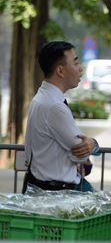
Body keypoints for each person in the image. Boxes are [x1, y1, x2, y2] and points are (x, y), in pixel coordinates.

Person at [23, 41, 99, 194]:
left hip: (42, 189)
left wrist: (90, 145)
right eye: (76, 63)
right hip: (54, 193)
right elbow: (80, 154)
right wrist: (93, 144)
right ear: (60, 71)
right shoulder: (54, 106)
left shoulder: (42, 98)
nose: (80, 68)